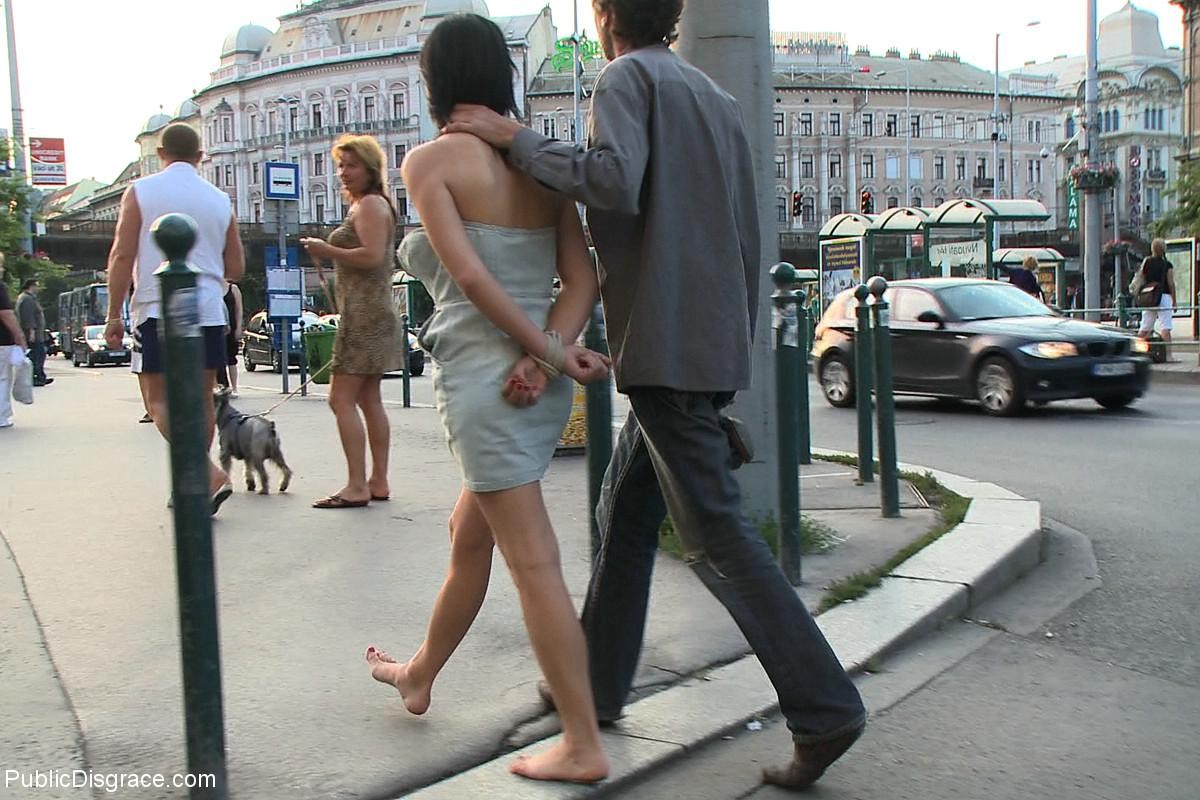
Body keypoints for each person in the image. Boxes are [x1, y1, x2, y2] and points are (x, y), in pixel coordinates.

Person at [445, 0, 867, 789]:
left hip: (666, 345)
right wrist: (728, 346)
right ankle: (598, 688)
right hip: (702, 340)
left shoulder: (624, 78)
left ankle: (824, 708)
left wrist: (516, 139)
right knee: (626, 513)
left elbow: (613, 181)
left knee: (718, 539)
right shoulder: (717, 97)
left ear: (605, 13)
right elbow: (747, 232)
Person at [363, 13, 612, 784]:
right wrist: (548, 355)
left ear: (436, 84)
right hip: (528, 384)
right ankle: (419, 674)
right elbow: (585, 280)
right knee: (469, 534)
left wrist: (541, 354)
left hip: (484, 383)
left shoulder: (429, 162)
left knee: (533, 563)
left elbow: (470, 279)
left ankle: (582, 742)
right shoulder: (536, 165)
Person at [104, 122, 246, 515]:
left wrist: (114, 315)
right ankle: (192, 486)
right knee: (201, 400)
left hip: (157, 306)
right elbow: (235, 264)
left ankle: (205, 474)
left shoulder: (141, 191)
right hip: (208, 310)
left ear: (160, 154)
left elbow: (121, 255)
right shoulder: (220, 199)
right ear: (201, 157)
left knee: (158, 400)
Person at [300, 135, 400, 509]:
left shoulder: (371, 205)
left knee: (340, 398)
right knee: (368, 398)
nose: (343, 173)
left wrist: (327, 250)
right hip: (372, 311)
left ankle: (357, 485)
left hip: (365, 315)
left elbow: (373, 256)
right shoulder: (371, 204)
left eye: (351, 165)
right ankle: (377, 481)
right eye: (340, 165)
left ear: (370, 168)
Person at [0, 259, 29, 429]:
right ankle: (2, 416)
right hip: (2, 341)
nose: (2, 270)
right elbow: (6, 314)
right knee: (2, 378)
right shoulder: (0, 288)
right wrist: (19, 336)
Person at [1135, 238, 1176, 352]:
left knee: (1145, 328)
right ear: (1163, 249)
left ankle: (1136, 351)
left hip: (1150, 296)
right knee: (1165, 327)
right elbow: (1171, 283)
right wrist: (1174, 300)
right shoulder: (1167, 264)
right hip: (1164, 296)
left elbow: (1141, 278)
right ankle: (1167, 355)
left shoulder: (1146, 262)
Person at [15, 279, 52, 386]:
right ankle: (37, 377)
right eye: (37, 286)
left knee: (37, 355)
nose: (38, 289)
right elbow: (28, 317)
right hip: (33, 335)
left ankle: (40, 376)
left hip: (36, 334)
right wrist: (31, 331)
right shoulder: (27, 299)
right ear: (31, 286)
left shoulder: (27, 298)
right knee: (37, 355)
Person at [215, 281, 243, 396]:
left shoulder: (233, 288)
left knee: (231, 358)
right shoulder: (213, 287)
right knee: (218, 359)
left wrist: (239, 327)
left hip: (231, 327)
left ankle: (234, 387)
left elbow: (239, 310)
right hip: (217, 327)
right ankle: (220, 386)